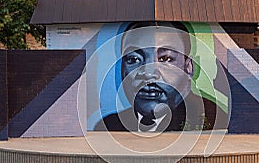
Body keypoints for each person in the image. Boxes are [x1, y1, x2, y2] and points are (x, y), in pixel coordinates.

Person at [94, 21, 227, 132]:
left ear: (188, 68)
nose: (149, 73)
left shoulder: (211, 118)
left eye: (165, 58)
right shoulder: (109, 126)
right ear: (122, 69)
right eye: (134, 59)